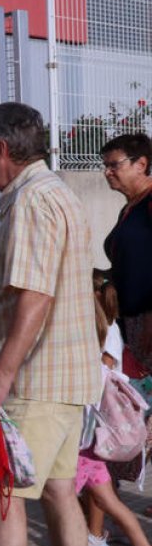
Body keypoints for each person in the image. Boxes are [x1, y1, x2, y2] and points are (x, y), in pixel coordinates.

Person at [0, 102, 101, 546]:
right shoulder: (57, 191)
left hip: (35, 382)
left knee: (0, 494)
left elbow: (36, 295)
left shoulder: (30, 200)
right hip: (64, 380)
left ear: (1, 148)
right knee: (58, 487)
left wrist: (1, 374)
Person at [78, 272, 150, 546]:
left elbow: (104, 373)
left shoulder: (106, 331)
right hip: (94, 429)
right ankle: (100, 533)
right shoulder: (106, 328)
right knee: (103, 493)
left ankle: (94, 535)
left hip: (97, 428)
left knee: (93, 492)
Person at [100, 133, 152, 370]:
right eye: (105, 165)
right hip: (129, 324)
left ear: (141, 164)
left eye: (114, 165)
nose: (107, 172)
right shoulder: (129, 209)